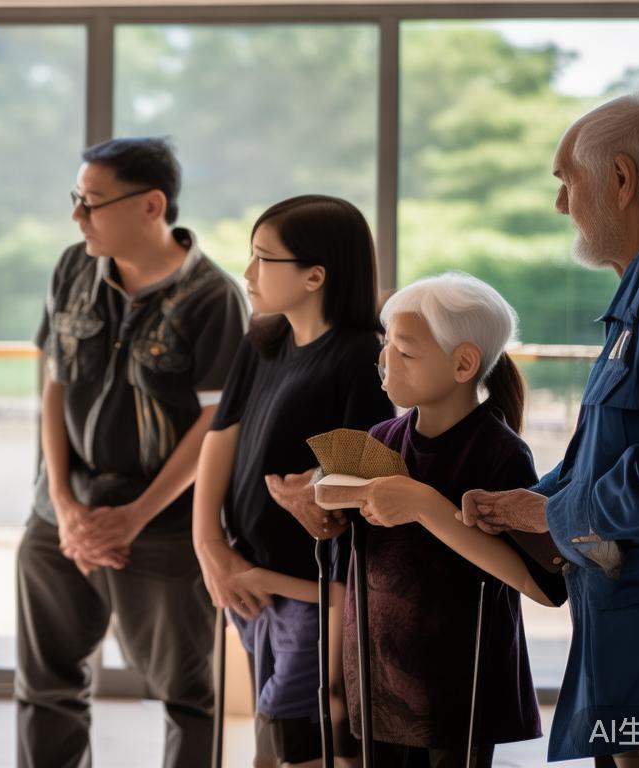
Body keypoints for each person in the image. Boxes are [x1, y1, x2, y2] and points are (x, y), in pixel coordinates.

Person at [458, 91, 639, 765]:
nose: (562, 205)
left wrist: (557, 513)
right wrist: (530, 505)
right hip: (636, 645)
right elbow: (613, 448)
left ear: (621, 180)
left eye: (567, 181)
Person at [16, 137, 248, 768]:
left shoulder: (213, 298)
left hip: (165, 523)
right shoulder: (72, 267)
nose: (78, 217)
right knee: (46, 686)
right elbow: (54, 386)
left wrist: (135, 516)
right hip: (59, 514)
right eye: (76, 199)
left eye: (91, 203)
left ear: (152, 206)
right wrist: (63, 503)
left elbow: (215, 424)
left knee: (187, 693)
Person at [314, 273, 567, 768]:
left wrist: (425, 506)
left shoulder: (500, 454)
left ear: (464, 363)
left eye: (405, 352)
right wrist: (335, 498)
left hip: (459, 683)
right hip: (379, 672)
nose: (385, 359)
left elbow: (538, 583)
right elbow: (327, 487)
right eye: (387, 344)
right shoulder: (384, 436)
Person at [192, 195, 392, 768]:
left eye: (262, 259)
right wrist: (210, 545)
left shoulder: (361, 359)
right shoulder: (265, 341)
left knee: (292, 738)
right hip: (249, 581)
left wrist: (317, 491)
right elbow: (220, 435)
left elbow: (363, 476)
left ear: (314, 275)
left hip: (315, 594)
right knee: (274, 733)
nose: (248, 274)